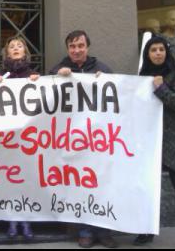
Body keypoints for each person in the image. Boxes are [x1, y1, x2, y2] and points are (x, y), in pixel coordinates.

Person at [48, 30, 116, 249]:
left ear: (87, 47)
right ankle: (85, 231)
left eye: (80, 46)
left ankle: (103, 231)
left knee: (101, 185)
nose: (76, 50)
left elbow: (117, 95)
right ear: (67, 49)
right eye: (72, 46)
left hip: (97, 141)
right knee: (80, 186)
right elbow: (46, 95)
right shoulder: (58, 69)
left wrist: (106, 81)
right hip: (72, 142)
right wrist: (58, 76)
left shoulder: (103, 69)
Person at [135, 36, 175, 249]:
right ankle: (146, 231)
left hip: (174, 140)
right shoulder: (141, 78)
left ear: (166, 52)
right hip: (149, 139)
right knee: (147, 187)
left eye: (161, 49)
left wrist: (161, 88)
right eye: (153, 50)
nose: (158, 53)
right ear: (147, 54)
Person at [0, 36, 39, 239]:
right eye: (11, 46)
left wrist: (38, 82)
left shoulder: (33, 75)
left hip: (27, 137)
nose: (15, 48)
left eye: (19, 46)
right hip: (7, 137)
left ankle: (26, 220)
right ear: (7, 52)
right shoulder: (0, 75)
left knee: (26, 178)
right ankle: (12, 220)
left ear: (25, 51)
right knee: (9, 179)